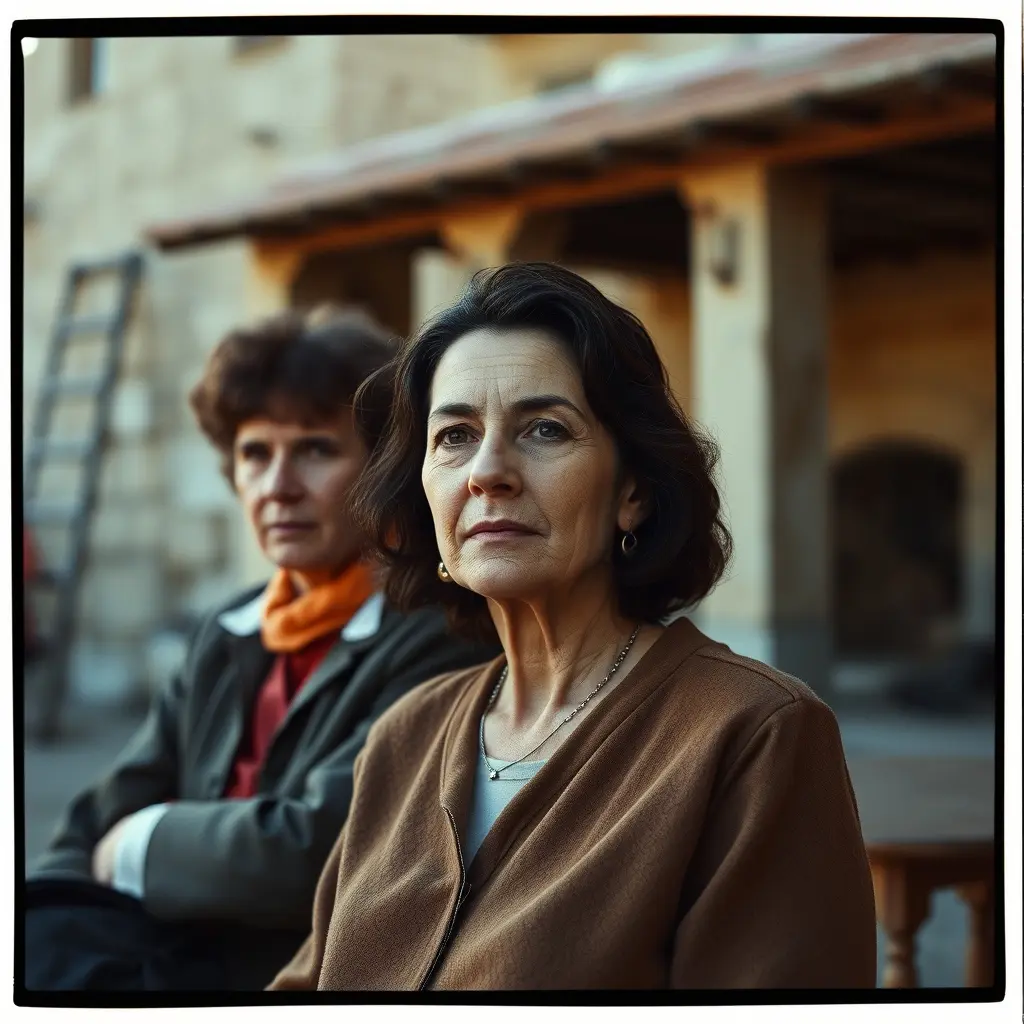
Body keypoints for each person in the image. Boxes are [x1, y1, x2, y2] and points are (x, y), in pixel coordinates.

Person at [269, 264, 878, 991]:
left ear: (633, 492)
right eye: (455, 435)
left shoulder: (753, 734)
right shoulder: (405, 735)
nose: (487, 472)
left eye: (545, 429)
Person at [25, 307, 497, 992]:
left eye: (315, 450)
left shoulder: (440, 636)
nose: (279, 486)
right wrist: (51, 909)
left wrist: (137, 846)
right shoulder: (228, 628)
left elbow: (317, 850)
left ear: (382, 470)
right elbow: (99, 815)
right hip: (154, 950)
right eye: (255, 454)